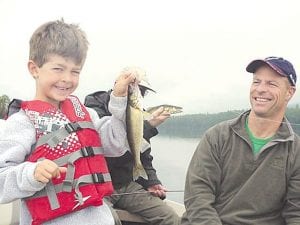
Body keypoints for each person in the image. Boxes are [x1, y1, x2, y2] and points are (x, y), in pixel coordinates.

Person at [0, 19, 137, 225]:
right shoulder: (21, 123)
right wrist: (31, 173)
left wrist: (119, 101)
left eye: (75, 71)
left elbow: (116, 144)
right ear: (34, 68)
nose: (67, 78)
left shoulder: (86, 114)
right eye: (58, 68)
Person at [181, 56, 300, 225]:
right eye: (256, 82)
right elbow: (197, 198)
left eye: (271, 84)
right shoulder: (217, 136)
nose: (260, 89)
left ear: (290, 92)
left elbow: (296, 212)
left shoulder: (296, 151)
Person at [84, 68, 181, 225]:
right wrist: (148, 126)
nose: (138, 93)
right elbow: (108, 145)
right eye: (133, 87)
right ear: (118, 84)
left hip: (126, 185)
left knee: (171, 218)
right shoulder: (95, 104)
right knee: (109, 220)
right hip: (98, 187)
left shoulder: (139, 114)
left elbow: (144, 155)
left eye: (142, 90)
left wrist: (152, 182)